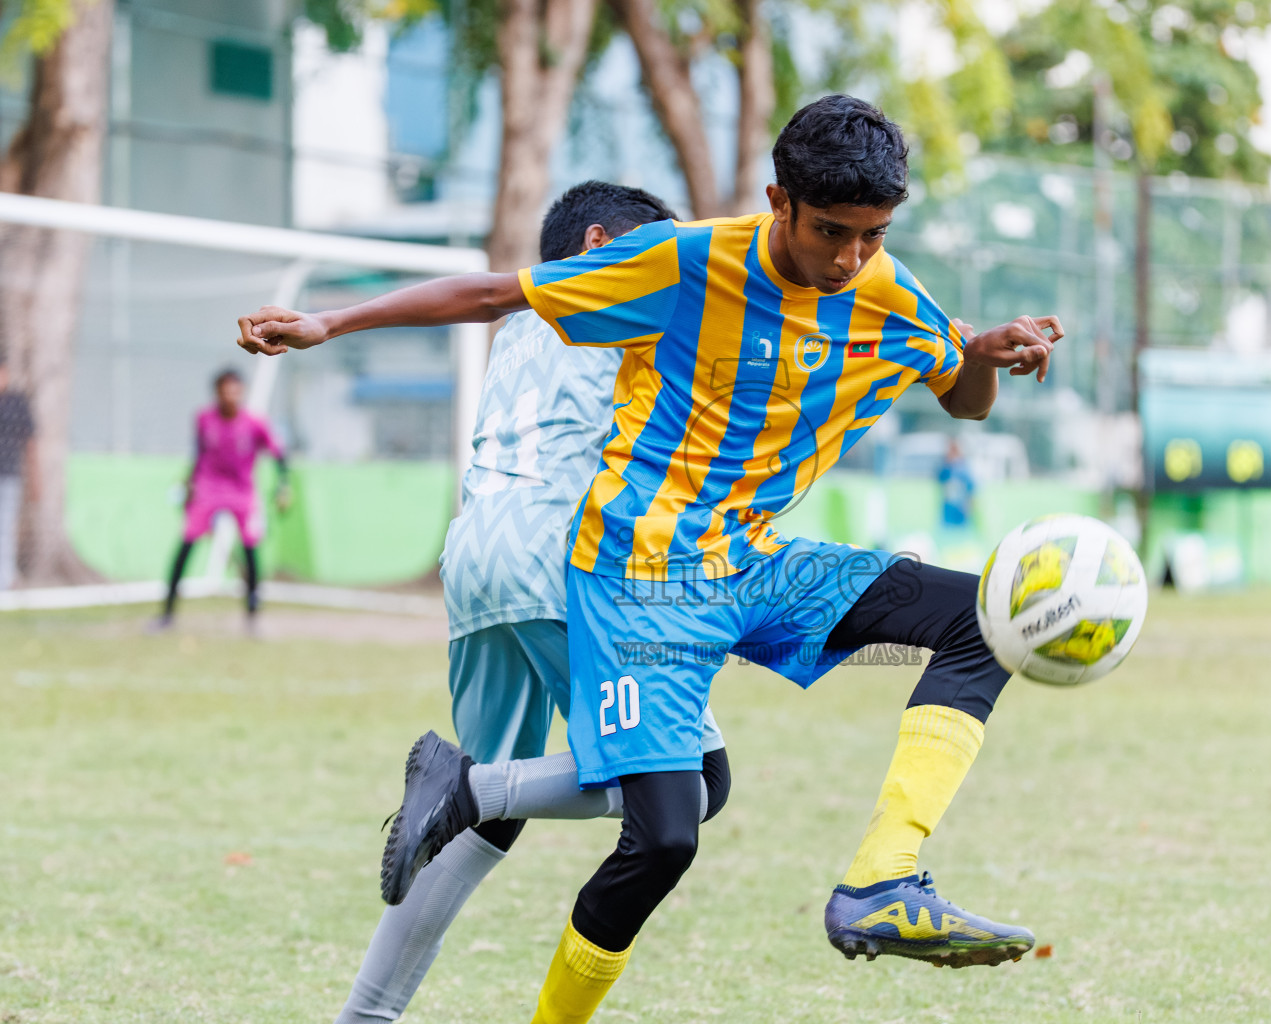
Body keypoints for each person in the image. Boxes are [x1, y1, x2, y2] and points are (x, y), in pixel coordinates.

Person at [238, 95, 1062, 1021]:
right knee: (669, 827)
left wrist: (983, 354)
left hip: (710, 561)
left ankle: (882, 882)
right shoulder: (678, 264)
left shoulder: (887, 292)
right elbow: (494, 291)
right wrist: (331, 324)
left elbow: (963, 394)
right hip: (635, 571)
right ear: (776, 200)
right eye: (832, 231)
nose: (848, 258)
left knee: (984, 615)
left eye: (872, 236)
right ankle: (465, 798)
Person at [332, 181, 732, 1024]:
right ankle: (466, 785)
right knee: (697, 779)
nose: (667, 276)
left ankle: (363, 1017)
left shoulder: (518, 326)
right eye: (652, 256)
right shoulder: (625, 314)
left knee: (476, 827)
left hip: (475, 555)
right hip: (563, 556)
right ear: (598, 246)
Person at [150, 368, 288, 631]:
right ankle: (167, 614)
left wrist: (283, 485)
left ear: (242, 392)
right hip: (207, 488)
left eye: (235, 390)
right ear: (217, 393)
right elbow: (198, 453)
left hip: (242, 491)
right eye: (225, 391)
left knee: (250, 549)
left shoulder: (255, 423)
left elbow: (279, 454)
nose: (230, 396)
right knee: (186, 546)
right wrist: (189, 483)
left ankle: (252, 617)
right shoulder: (204, 419)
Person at [0, 356, 36, 591]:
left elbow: (31, 442)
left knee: (5, 527)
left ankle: (6, 577)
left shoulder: (16, 402)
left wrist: (36, 479)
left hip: (9, 474)